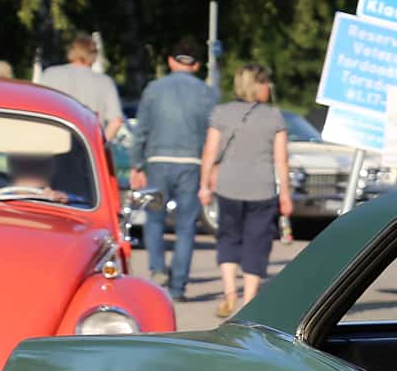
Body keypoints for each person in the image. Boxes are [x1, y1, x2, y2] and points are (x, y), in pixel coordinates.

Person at [199, 64, 291, 317]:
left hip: (229, 186)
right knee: (257, 243)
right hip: (262, 189)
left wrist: (204, 185)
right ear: (257, 85)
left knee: (228, 237)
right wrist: (285, 195)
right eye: (265, 83)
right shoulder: (274, 117)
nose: (268, 87)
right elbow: (281, 160)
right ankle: (249, 300)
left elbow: (209, 152)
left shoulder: (221, 113)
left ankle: (230, 293)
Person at [131, 37, 215, 298]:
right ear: (197, 65)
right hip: (192, 164)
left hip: (157, 161)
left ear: (170, 61)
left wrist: (136, 164)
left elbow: (141, 129)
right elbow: (213, 134)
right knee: (187, 226)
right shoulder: (208, 92)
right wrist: (212, 169)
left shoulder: (154, 89)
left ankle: (158, 273)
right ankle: (178, 286)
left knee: (154, 219)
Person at [38, 35, 124, 140]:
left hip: (53, 143)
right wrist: (100, 144)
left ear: (71, 52)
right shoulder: (105, 82)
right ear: (94, 56)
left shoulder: (50, 75)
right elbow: (116, 121)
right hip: (87, 148)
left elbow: (37, 110)